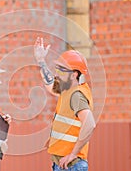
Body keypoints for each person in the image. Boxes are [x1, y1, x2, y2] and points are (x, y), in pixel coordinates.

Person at [34, 37, 96, 171]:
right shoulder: (68, 90)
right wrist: (41, 61)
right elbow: (51, 86)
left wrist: (73, 154)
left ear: (74, 74)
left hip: (72, 165)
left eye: (62, 70)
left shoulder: (76, 95)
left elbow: (90, 124)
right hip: (63, 164)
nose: (57, 73)